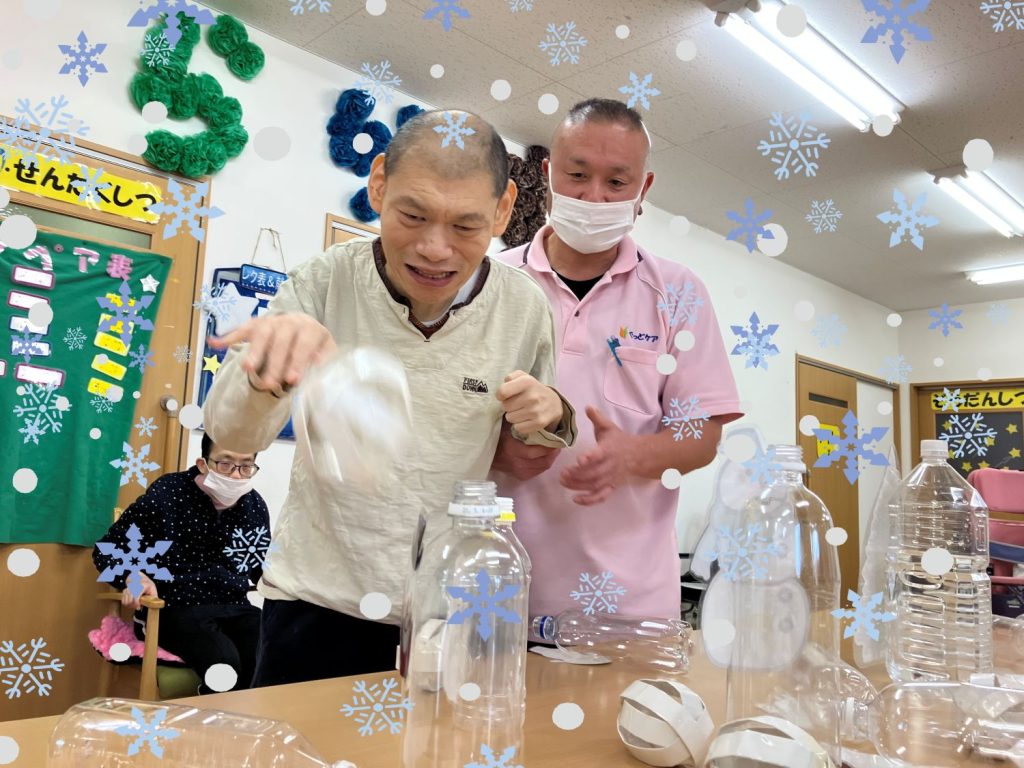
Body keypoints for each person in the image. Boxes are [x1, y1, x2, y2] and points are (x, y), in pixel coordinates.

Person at [203, 110, 577, 686]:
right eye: (413, 215)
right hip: (316, 603)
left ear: (504, 210)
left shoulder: (524, 308)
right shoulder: (323, 281)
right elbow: (231, 435)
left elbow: (528, 455)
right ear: (378, 184)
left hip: (445, 611)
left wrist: (550, 415)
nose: (434, 249)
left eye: (466, 226)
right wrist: (267, 373)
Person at [492, 98, 742, 623]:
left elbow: (703, 436)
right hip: (494, 593)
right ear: (548, 174)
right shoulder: (492, 283)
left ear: (643, 189)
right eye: (577, 175)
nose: (594, 196)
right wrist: (498, 451)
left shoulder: (678, 292)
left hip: (628, 608)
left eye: (616, 182)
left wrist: (632, 455)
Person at [92, 433, 267, 694]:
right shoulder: (168, 493)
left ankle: (242, 718)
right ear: (203, 464)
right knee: (224, 663)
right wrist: (133, 575)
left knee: (267, 655)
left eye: (246, 466)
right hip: (174, 607)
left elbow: (260, 566)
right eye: (225, 464)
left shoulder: (254, 505)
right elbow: (107, 549)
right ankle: (207, 717)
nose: (235, 474)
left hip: (234, 606)